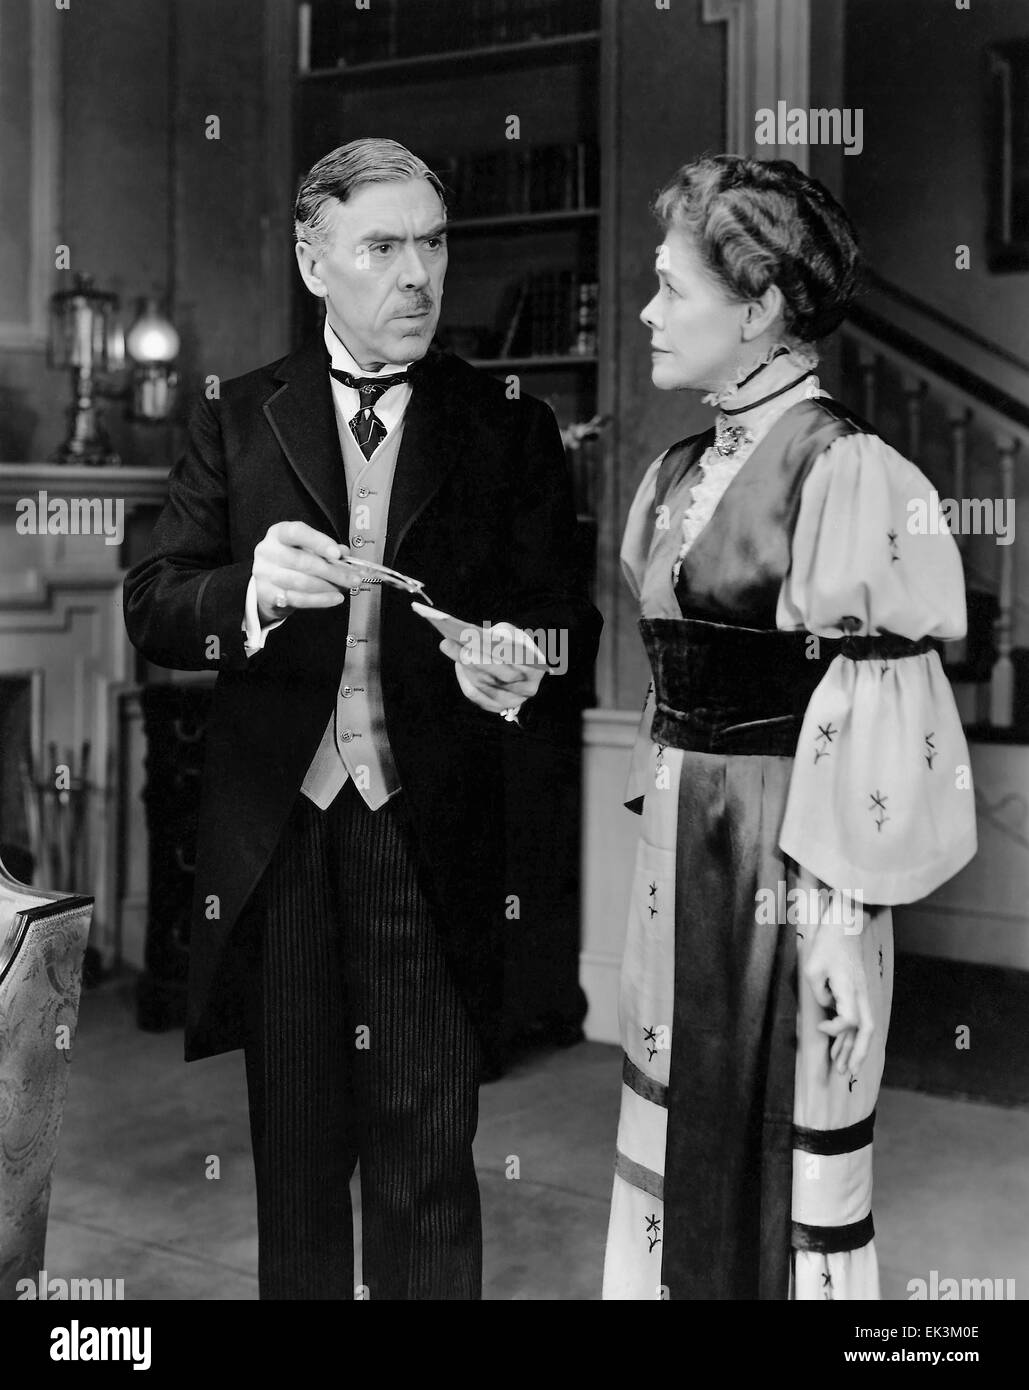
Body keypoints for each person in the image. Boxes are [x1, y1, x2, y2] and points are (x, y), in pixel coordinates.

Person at [124, 137, 601, 1301]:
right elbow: (153, 602)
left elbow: (561, 629)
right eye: (382, 246)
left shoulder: (505, 426)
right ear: (313, 258)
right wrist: (248, 592)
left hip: (428, 840)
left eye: (433, 244)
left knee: (425, 1159)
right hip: (279, 843)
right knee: (294, 1171)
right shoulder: (234, 419)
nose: (418, 276)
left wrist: (517, 665)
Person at [602, 154, 976, 1301]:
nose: (649, 313)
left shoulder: (847, 472)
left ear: (760, 310)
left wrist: (834, 922)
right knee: (675, 1121)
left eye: (674, 289)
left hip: (794, 858)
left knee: (795, 1122)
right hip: (680, 847)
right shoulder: (671, 474)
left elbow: (871, 710)